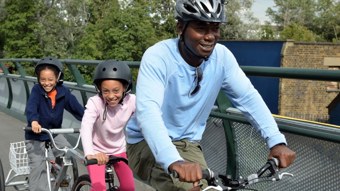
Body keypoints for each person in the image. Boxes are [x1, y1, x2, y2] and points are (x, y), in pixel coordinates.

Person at [125, 0, 296, 190]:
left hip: (188, 144)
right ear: (180, 27)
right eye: (200, 27)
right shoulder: (158, 57)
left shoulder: (222, 58)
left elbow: (248, 98)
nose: (209, 36)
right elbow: (148, 113)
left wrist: (276, 140)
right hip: (145, 142)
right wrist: (173, 160)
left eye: (215, 28)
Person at [25, 57, 84, 191]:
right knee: (38, 167)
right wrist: (34, 121)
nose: (46, 83)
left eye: (50, 80)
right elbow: (31, 107)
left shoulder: (63, 92)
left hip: (54, 133)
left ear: (58, 77)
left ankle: (61, 178)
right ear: (38, 79)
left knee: (68, 153)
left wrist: (91, 121)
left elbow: (77, 109)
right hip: (36, 134)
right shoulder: (36, 90)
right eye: (43, 80)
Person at [80, 60, 135, 191]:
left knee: (129, 188)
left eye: (116, 90)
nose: (111, 96)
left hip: (119, 149)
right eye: (105, 91)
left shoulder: (132, 101)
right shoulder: (95, 102)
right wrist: (90, 154)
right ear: (99, 89)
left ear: (125, 88)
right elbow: (86, 126)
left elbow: (147, 120)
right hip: (97, 151)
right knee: (99, 188)